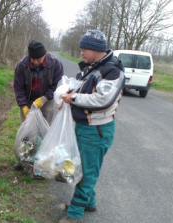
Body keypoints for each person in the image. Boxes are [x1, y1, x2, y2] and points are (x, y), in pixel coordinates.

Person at [58, 30, 125, 223]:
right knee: (85, 168)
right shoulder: (92, 67)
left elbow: (103, 99)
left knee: (87, 172)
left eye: (84, 49)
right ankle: (89, 202)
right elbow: (80, 87)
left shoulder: (112, 70)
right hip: (85, 126)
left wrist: (74, 98)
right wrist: (67, 96)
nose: (81, 53)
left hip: (96, 130)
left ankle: (74, 215)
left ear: (96, 49)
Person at [13, 40, 64, 171]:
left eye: (39, 59)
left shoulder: (55, 64)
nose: (35, 62)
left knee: (43, 131)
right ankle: (23, 160)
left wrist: (45, 98)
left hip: (46, 100)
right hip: (28, 101)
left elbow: (58, 85)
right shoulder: (22, 65)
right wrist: (23, 106)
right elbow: (18, 88)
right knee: (26, 132)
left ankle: (41, 163)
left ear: (45, 54)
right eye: (33, 59)